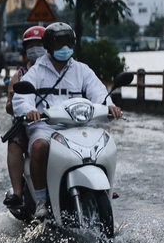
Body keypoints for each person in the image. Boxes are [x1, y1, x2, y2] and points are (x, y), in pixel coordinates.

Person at [12, 22, 122, 219]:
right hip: (47, 126)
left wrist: (110, 105)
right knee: (38, 147)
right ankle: (41, 200)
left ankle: (106, 187)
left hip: (80, 125)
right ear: (48, 46)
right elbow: (22, 97)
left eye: (68, 42)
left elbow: (99, 92)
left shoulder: (82, 70)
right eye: (58, 42)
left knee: (106, 144)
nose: (64, 47)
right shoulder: (37, 70)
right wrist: (29, 110)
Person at [3, 26, 46, 208]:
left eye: (39, 44)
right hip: (26, 123)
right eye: (31, 45)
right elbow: (8, 107)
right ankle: (18, 192)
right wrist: (14, 100)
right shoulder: (19, 75)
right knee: (14, 144)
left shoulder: (56, 71)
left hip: (54, 121)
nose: (35, 48)